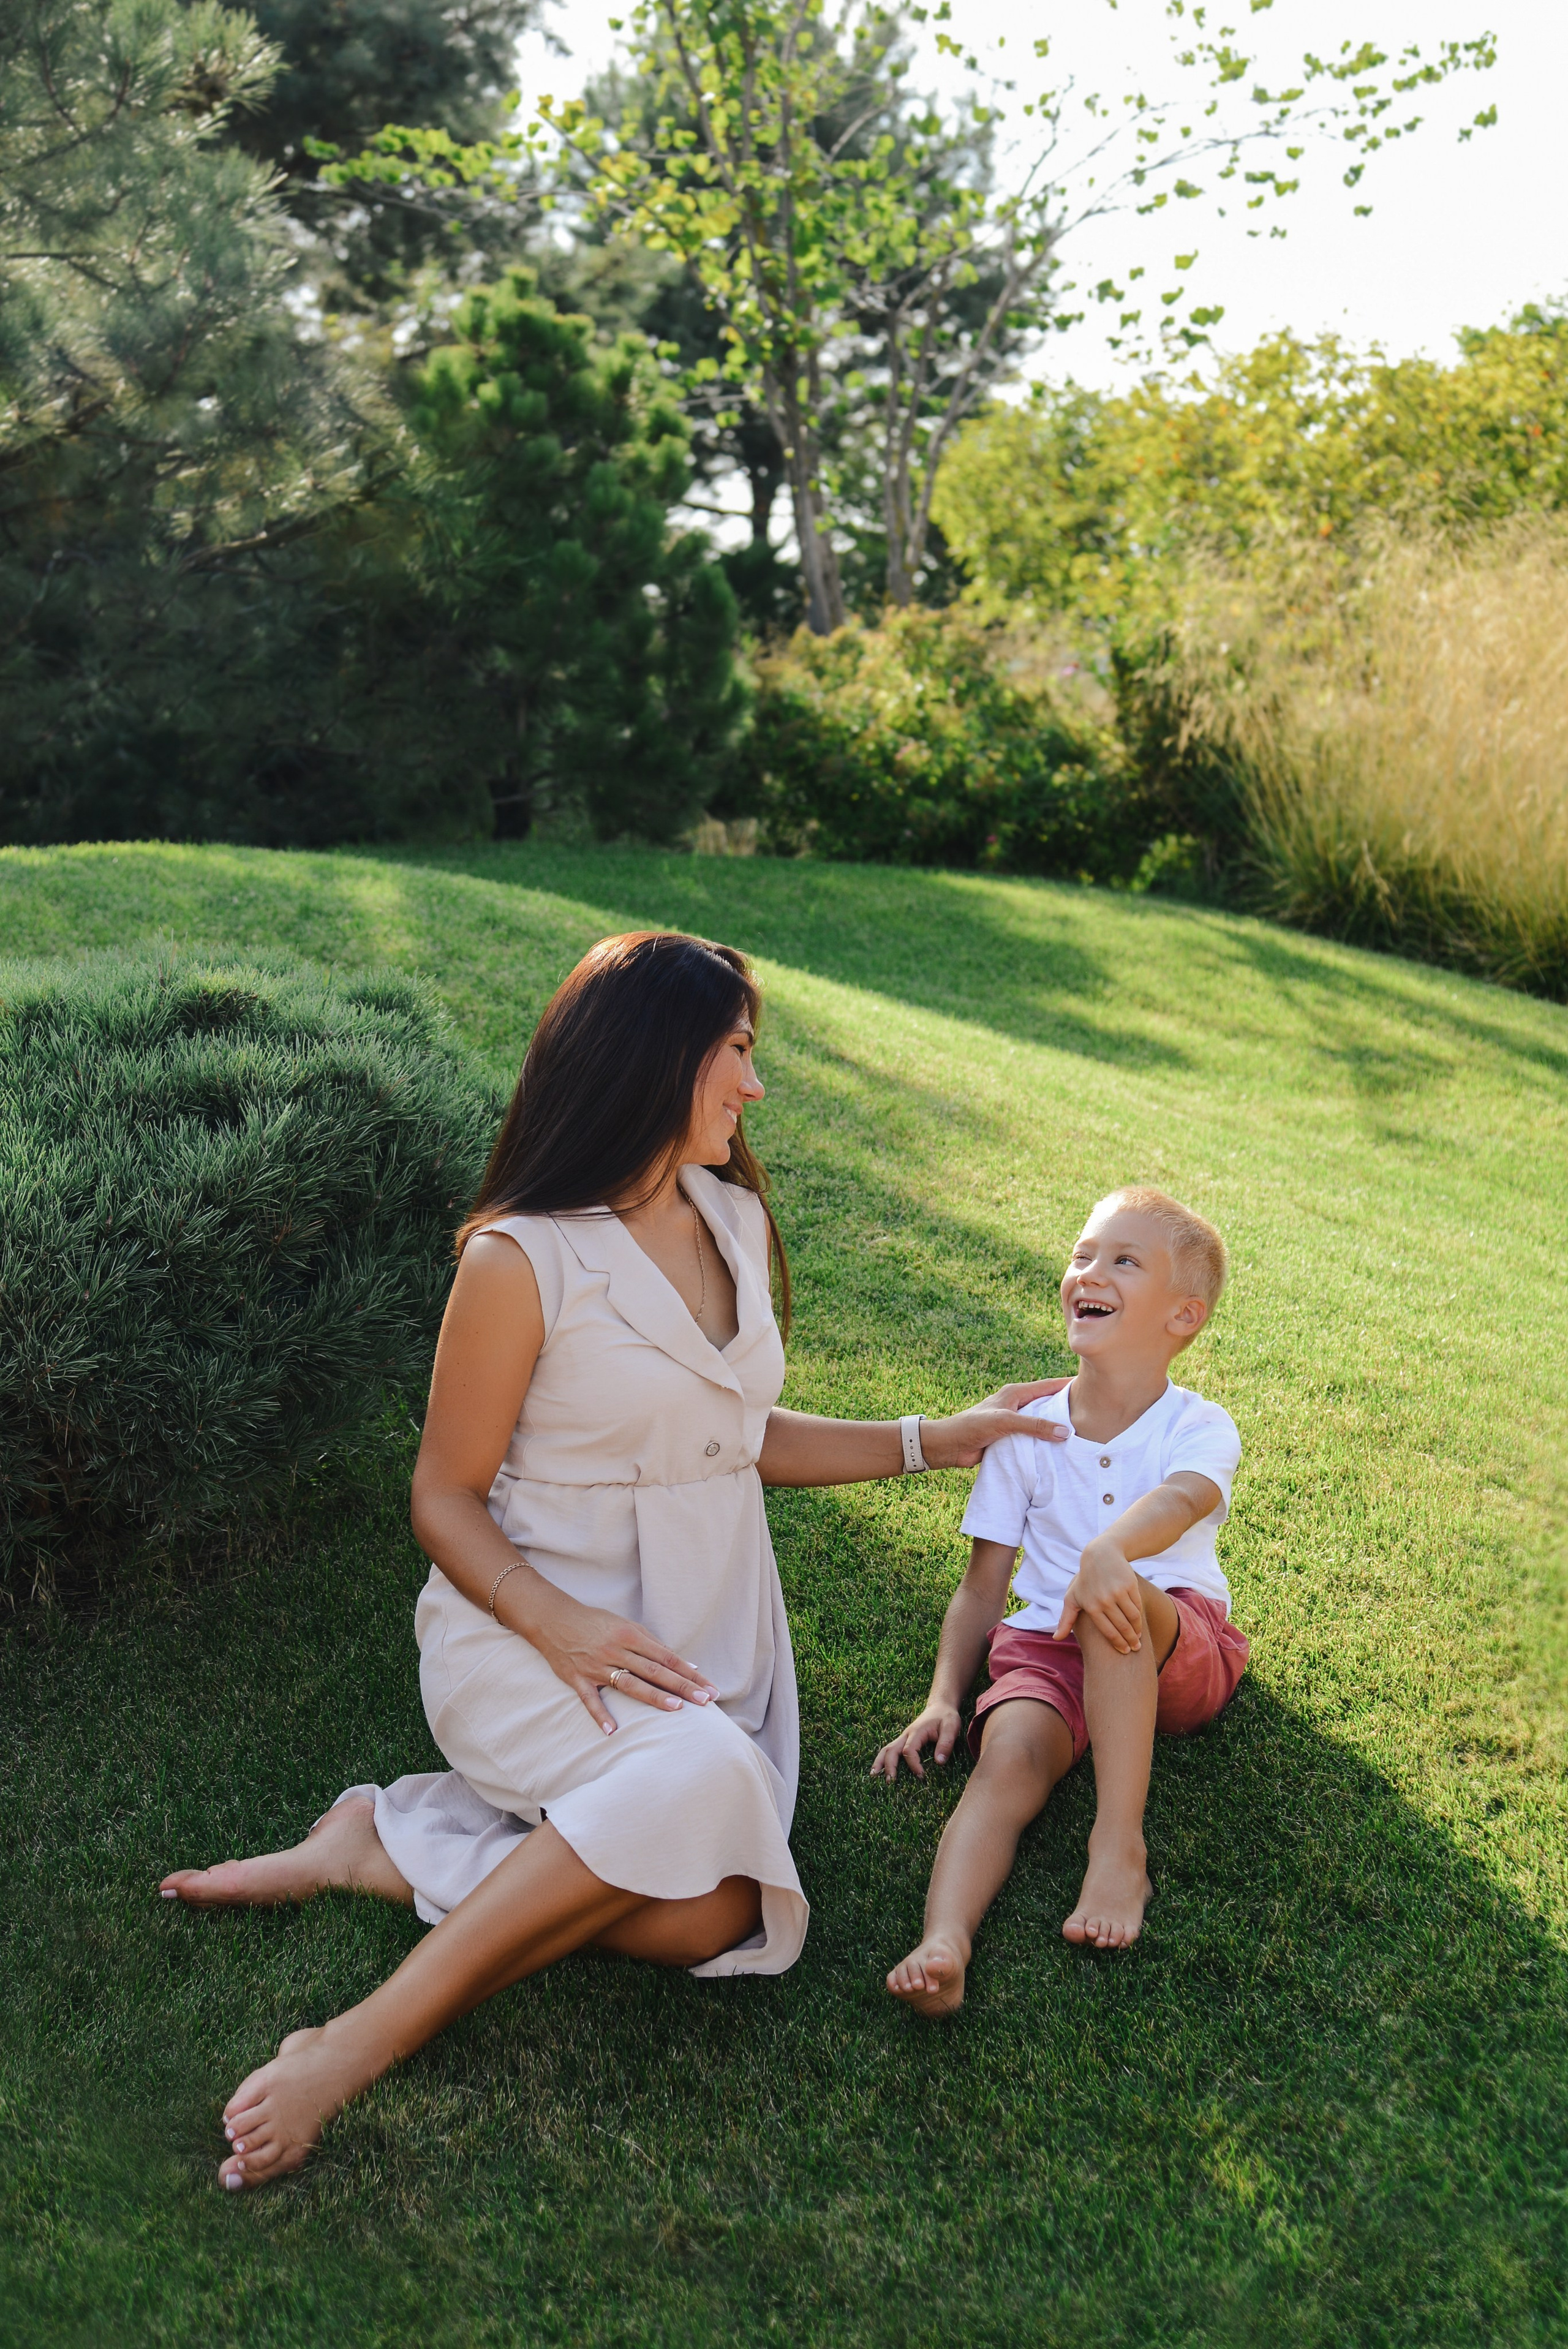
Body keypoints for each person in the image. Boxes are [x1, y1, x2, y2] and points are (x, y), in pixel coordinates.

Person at [160, 930, 1068, 2186]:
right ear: (655, 1055)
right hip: (524, 1634)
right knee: (697, 1803)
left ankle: (386, 1841)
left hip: (703, 1636)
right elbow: (442, 1496)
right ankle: (356, 2044)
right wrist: (556, 1623)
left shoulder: (732, 1215)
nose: (753, 1086)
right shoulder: (519, 1256)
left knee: (721, 1913)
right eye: (738, 1051)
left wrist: (936, 1439)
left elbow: (733, 1437)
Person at [873, 1186, 1247, 2017]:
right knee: (1006, 1762)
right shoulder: (1028, 1430)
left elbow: (1184, 1503)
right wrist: (943, 1698)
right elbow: (982, 1587)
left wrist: (1107, 1555)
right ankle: (946, 1941)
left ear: (1184, 1317)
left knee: (1111, 1586)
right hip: (1047, 1647)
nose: (1090, 1271)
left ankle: (1118, 1848)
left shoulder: (1199, 1425)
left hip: (1169, 1633)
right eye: (1083, 1254)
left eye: (1123, 1260)